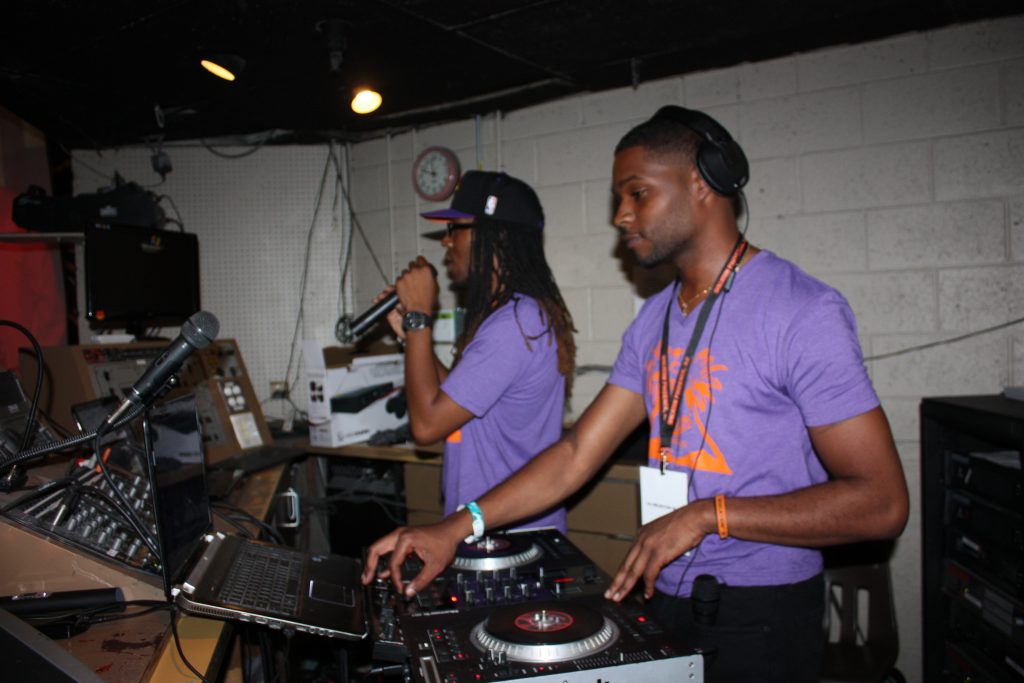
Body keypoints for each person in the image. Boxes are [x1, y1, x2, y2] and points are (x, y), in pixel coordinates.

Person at [362, 108, 909, 682]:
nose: (621, 215)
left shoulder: (801, 310)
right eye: (618, 198)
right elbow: (576, 456)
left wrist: (707, 515)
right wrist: (458, 526)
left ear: (704, 183)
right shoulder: (655, 319)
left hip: (761, 608)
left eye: (638, 193)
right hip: (664, 588)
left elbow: (882, 503)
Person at [378, 169, 576, 533]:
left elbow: (425, 427)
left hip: (508, 537)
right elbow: (455, 400)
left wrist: (421, 318)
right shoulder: (513, 315)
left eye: (457, 229)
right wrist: (411, 335)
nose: (446, 242)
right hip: (494, 533)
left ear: (495, 236)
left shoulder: (514, 325)